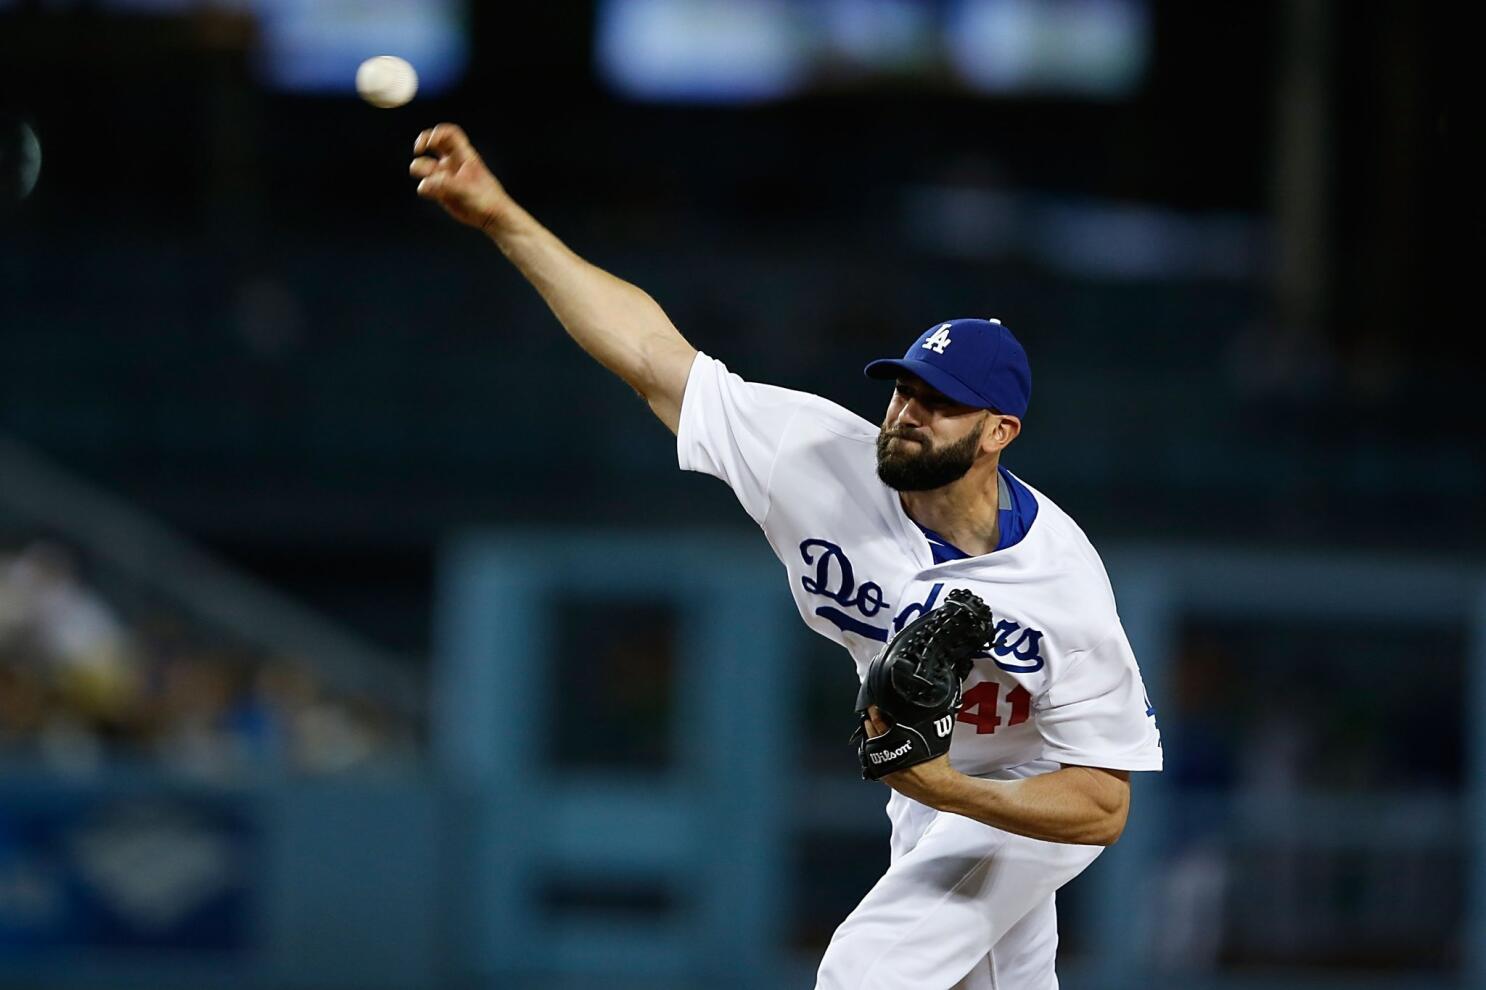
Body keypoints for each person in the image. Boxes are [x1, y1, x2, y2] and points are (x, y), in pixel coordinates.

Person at [410, 123, 1163, 990]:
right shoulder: (815, 459)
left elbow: (1105, 803)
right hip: (926, 798)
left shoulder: (1061, 580)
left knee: (863, 974)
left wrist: (954, 789)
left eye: (942, 403)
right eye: (905, 388)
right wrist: (506, 218)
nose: (908, 412)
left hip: (1023, 794)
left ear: (999, 432)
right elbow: (654, 358)